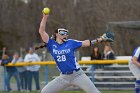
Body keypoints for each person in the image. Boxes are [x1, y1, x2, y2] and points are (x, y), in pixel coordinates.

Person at [38, 13, 107, 93]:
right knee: (45, 91)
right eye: (62, 32)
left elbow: (86, 43)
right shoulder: (51, 44)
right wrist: (45, 17)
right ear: (57, 34)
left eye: (66, 33)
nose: (65, 34)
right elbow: (41, 31)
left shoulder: (70, 42)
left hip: (77, 75)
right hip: (64, 77)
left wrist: (100, 39)